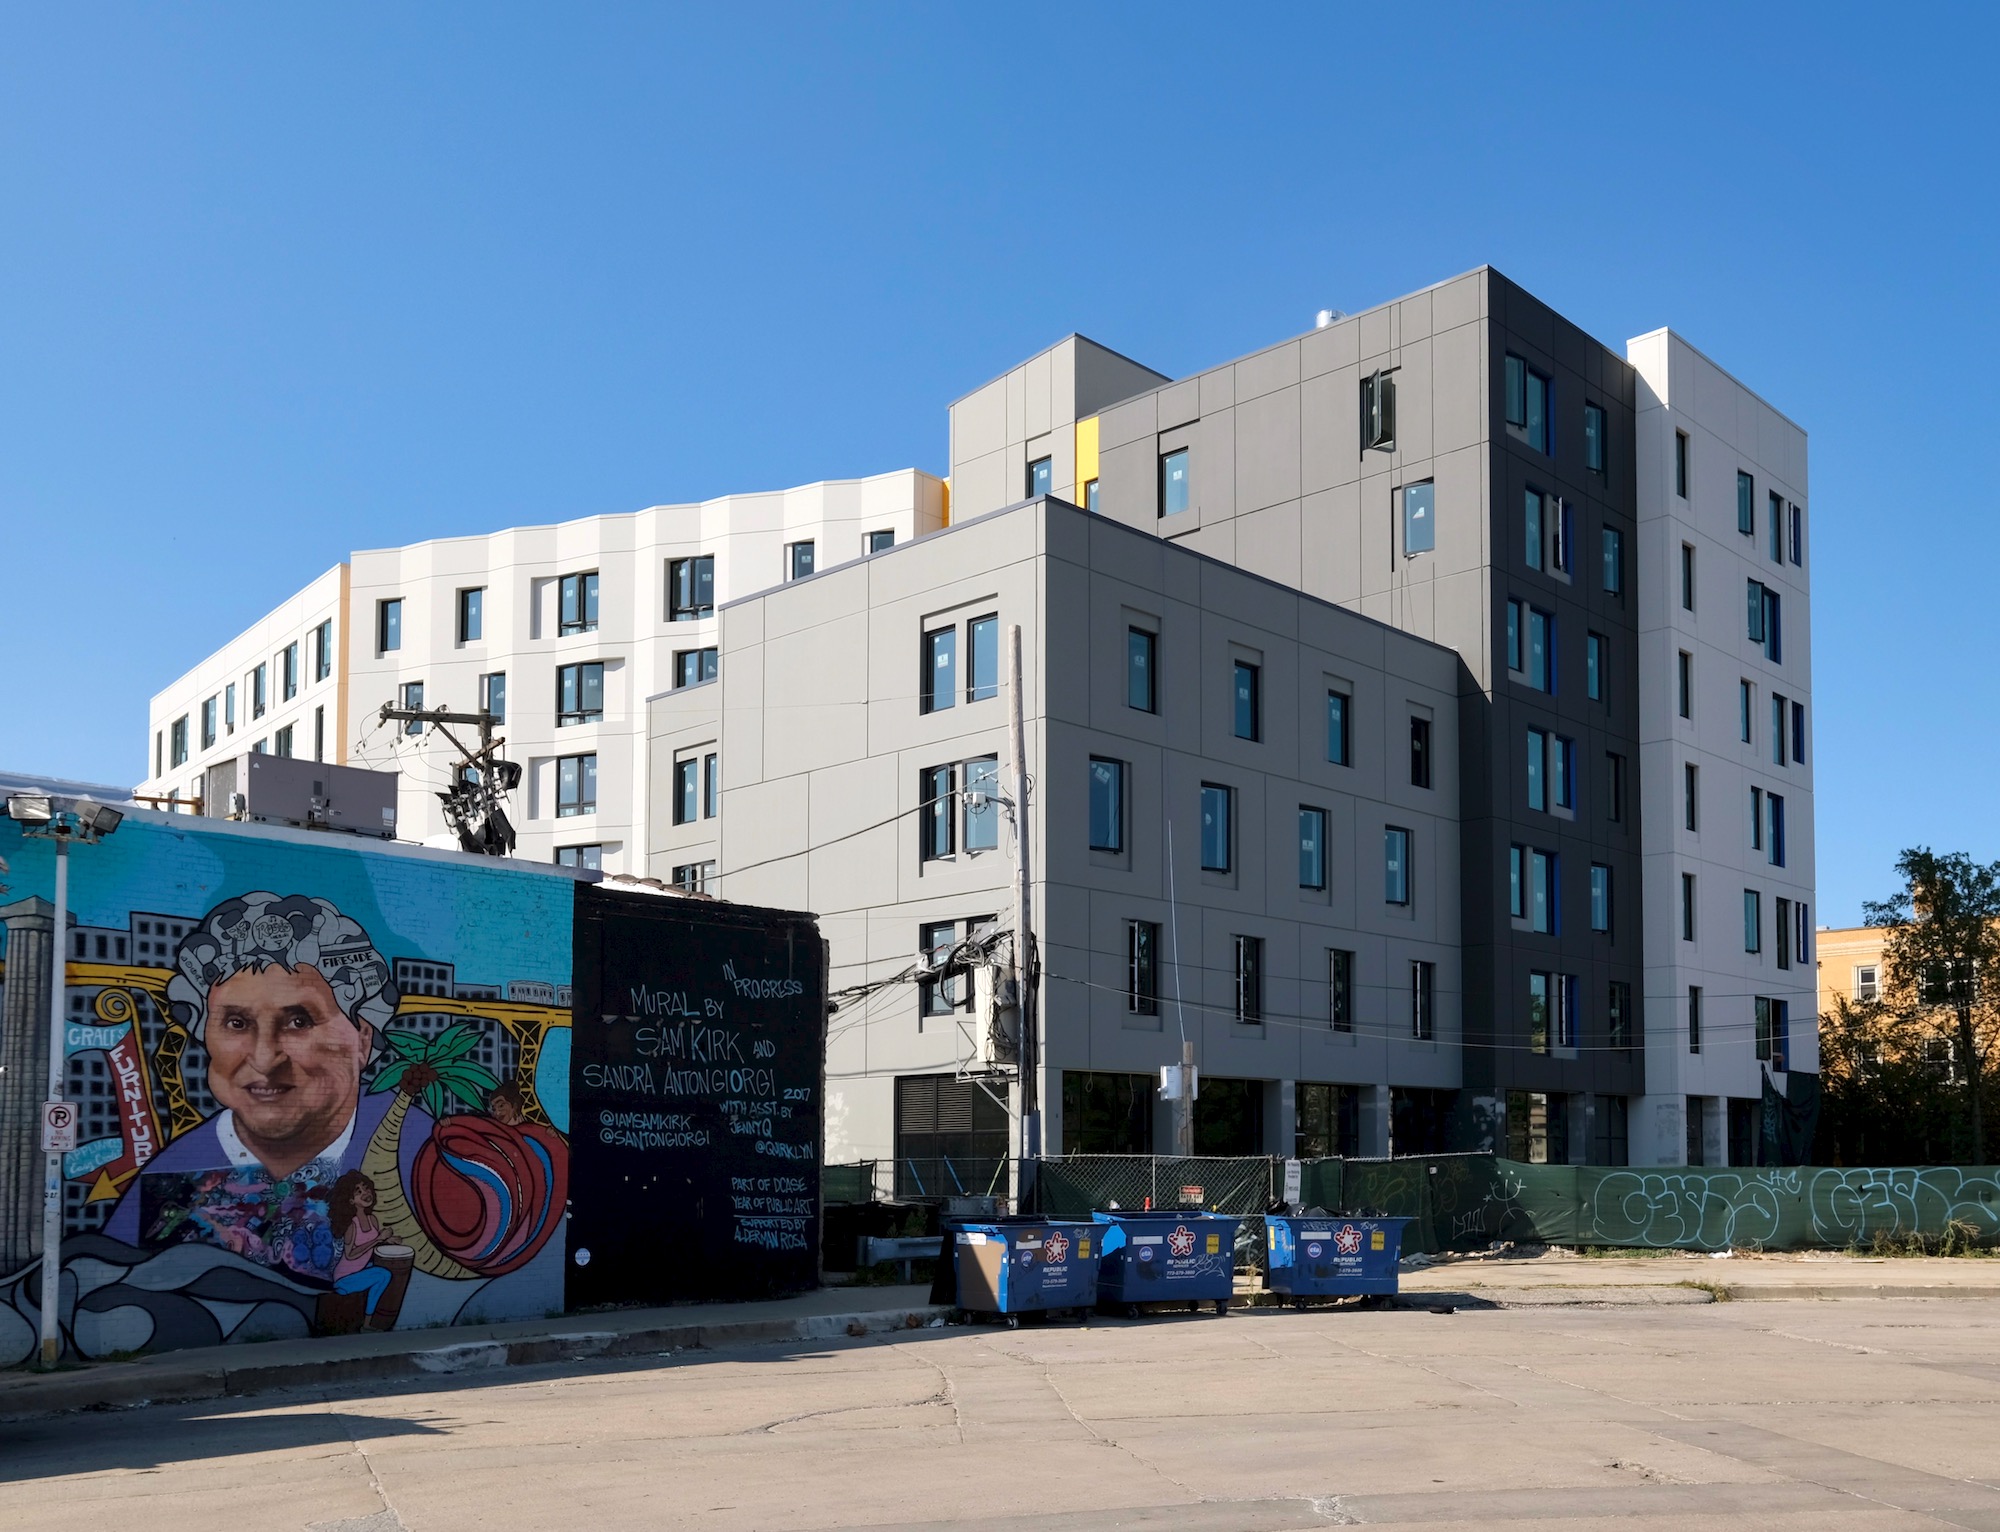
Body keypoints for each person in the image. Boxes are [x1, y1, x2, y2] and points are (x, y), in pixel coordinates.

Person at [105, 892, 425, 1282]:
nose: (264, 1057)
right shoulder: (170, 1177)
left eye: (299, 1022)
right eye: (236, 1023)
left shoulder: (425, 1150)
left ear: (362, 1038)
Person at [328, 1170, 391, 1316]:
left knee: (379, 1268)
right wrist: (378, 1239)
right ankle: (368, 1321)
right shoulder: (352, 1225)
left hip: (360, 1271)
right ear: (350, 1200)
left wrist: (388, 1240)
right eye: (358, 1191)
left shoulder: (372, 1219)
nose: (365, 1193)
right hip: (344, 1278)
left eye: (366, 1188)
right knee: (383, 1275)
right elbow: (350, 1255)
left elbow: (373, 1242)